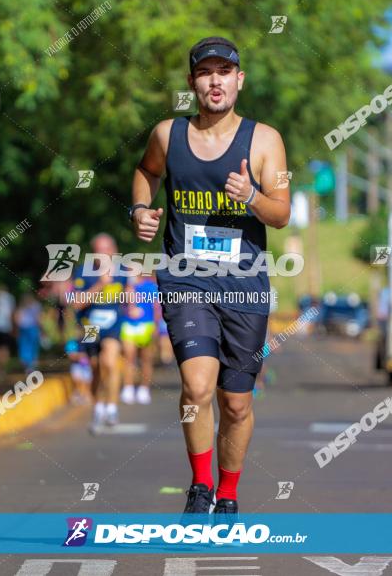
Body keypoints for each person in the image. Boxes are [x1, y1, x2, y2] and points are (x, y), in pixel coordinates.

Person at [129, 37, 290, 518]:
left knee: (235, 403)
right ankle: (200, 488)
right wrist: (139, 209)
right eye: (206, 72)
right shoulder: (167, 135)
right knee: (197, 387)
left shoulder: (265, 140)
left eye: (225, 71)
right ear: (192, 83)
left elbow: (281, 214)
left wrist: (252, 198)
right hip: (186, 280)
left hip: (245, 286)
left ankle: (228, 492)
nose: (215, 81)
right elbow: (145, 172)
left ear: (239, 80)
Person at [69, 233, 128, 432]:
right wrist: (100, 284)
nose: (101, 255)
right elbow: (76, 304)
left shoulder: (122, 271)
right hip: (90, 327)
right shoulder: (82, 273)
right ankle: (98, 407)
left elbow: (128, 294)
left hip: (112, 325)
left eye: (105, 250)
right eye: (97, 251)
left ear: (114, 252)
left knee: (109, 362)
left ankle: (111, 408)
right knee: (94, 368)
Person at [120, 273, 159, 405]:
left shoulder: (150, 287)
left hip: (146, 325)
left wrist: (156, 325)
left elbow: (156, 307)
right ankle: (128, 387)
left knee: (145, 359)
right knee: (128, 356)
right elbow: (120, 305)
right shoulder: (124, 286)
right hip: (128, 324)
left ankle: (144, 388)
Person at [14, 292, 41, 372]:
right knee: (31, 346)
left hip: (26, 328)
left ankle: (27, 364)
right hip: (30, 328)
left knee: (25, 346)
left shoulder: (23, 306)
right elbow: (38, 318)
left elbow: (17, 318)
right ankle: (30, 364)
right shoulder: (35, 305)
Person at [65, 339, 92, 406]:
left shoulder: (89, 341)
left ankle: (85, 395)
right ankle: (79, 394)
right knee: (78, 380)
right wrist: (80, 356)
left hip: (86, 366)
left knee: (86, 381)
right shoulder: (72, 342)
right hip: (76, 365)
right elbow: (71, 355)